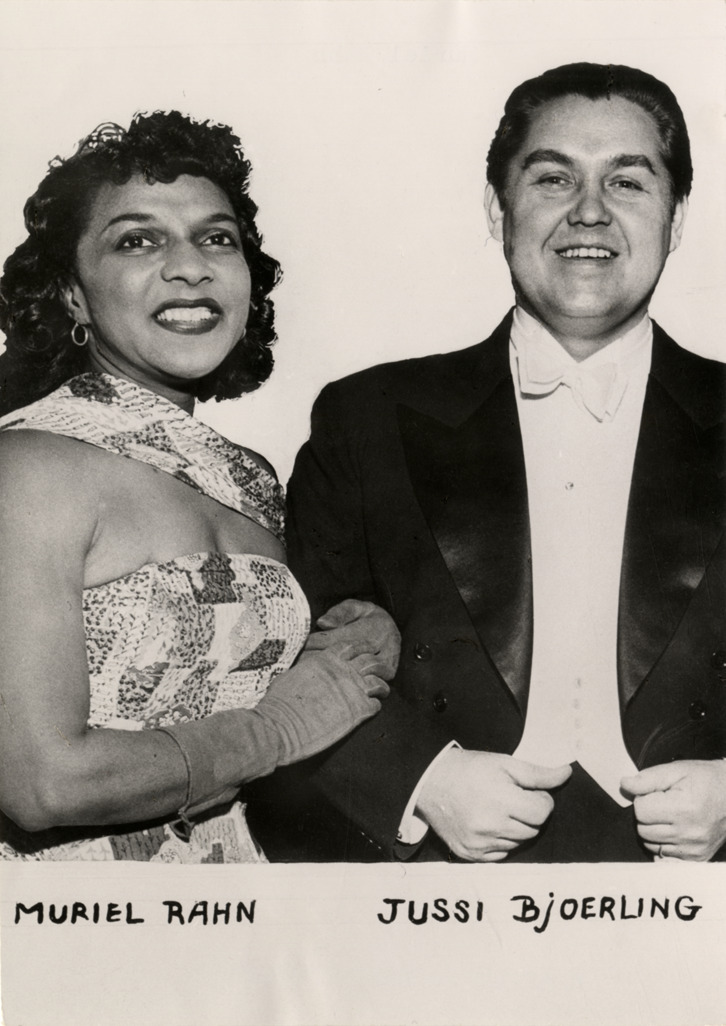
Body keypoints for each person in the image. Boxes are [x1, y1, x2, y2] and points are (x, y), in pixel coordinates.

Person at [252, 63, 726, 863]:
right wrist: (419, 780)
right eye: (553, 178)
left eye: (627, 182)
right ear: (497, 208)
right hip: (440, 891)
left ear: (676, 218)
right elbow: (278, 647)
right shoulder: (367, 418)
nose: (589, 211)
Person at [0, 111, 399, 863]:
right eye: (137, 240)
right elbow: (40, 783)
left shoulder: (249, 478)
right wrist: (273, 732)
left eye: (217, 238)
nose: (191, 267)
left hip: (232, 897)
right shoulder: (28, 467)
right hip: (65, 915)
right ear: (72, 295)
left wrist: (359, 636)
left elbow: (245, 671)